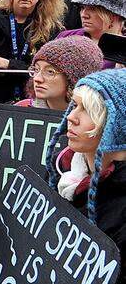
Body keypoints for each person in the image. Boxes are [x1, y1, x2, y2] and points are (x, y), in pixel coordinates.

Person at [47, 70, 126, 258]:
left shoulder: (120, 211)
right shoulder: (59, 167)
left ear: (118, 126)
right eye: (75, 105)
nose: (71, 117)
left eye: (88, 110)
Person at [21, 36, 103, 111]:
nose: (37, 78)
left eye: (50, 72)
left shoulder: (99, 120)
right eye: (36, 69)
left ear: (75, 79)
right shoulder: (21, 109)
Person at [57, 0, 126, 55]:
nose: (84, 15)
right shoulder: (66, 37)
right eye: (82, 7)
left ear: (114, 14)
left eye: (93, 9)